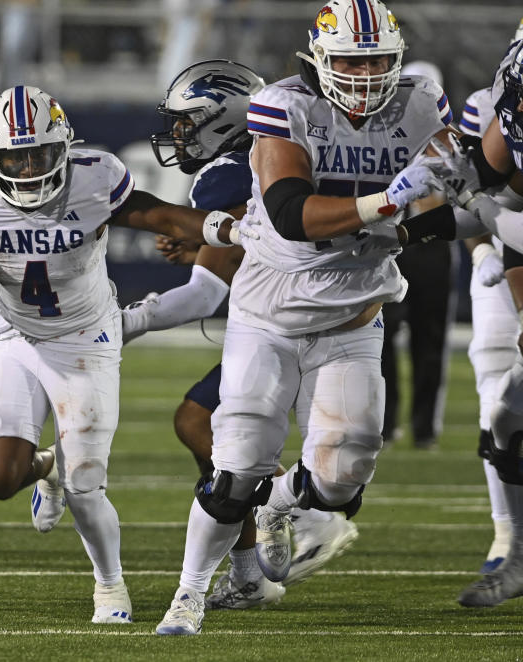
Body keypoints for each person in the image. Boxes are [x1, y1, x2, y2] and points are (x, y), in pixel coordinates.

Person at [154, 0, 458, 635]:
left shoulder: (423, 101)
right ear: (320, 58)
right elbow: (293, 214)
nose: (366, 72)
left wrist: (439, 206)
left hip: (354, 316)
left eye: (377, 59)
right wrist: (391, 201)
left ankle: (279, 506)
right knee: (237, 465)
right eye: (351, 58)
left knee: (344, 478)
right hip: (269, 314)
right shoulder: (286, 105)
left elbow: (435, 213)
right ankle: (188, 592)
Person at [0, 84, 249, 624]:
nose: (26, 165)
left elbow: (159, 216)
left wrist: (228, 228)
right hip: (13, 332)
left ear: (62, 146)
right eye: (13, 154)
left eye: (37, 152)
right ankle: (45, 470)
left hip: (87, 340)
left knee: (87, 486)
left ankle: (109, 587)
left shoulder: (93, 178)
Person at [125, 60, 359, 611]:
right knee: (204, 425)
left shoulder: (228, 171)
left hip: (296, 321)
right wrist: (207, 247)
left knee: (207, 424)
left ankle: (307, 516)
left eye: (187, 123)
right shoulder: (268, 152)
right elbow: (240, 254)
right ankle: (251, 573)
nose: (178, 136)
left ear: (221, 120)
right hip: (319, 306)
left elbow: (203, 296)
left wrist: (122, 323)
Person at [433, 31, 523, 607]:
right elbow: (481, 181)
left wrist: (473, 204)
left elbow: (484, 199)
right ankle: (515, 551)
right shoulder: (504, 101)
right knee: (508, 411)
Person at [379, 61, 456, 450]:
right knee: (382, 337)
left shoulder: (450, 137)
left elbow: (449, 201)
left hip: (431, 245)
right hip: (394, 244)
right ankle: (387, 422)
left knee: (430, 339)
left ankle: (423, 428)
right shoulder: (382, 133)